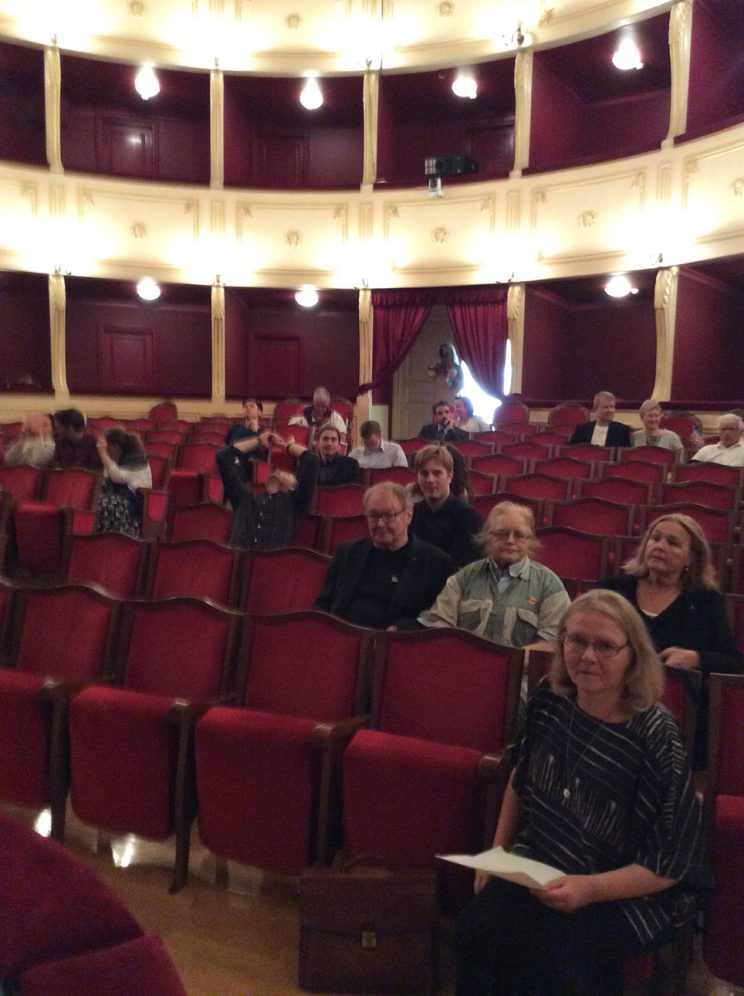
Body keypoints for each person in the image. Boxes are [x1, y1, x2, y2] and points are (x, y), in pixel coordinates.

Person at [455, 589, 706, 996]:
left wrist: (589, 889)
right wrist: (497, 853)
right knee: (477, 929)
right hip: (542, 861)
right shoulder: (550, 698)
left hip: (623, 888)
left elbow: (671, 861)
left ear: (633, 655)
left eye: (605, 645)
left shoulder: (655, 734)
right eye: (576, 640)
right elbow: (521, 778)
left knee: (554, 961)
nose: (587, 656)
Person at [596, 512, 741, 764]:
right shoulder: (613, 590)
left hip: (677, 722)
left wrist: (696, 657)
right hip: (611, 707)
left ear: (691, 558)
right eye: (655, 538)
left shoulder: (706, 601)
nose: (660, 546)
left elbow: (733, 663)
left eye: (673, 543)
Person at [418, 501, 570, 649]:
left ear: (530, 541)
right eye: (502, 534)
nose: (510, 541)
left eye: (519, 535)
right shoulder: (464, 577)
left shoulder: (549, 585)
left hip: (521, 673)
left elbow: (551, 644)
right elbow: (438, 627)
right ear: (487, 537)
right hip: (464, 667)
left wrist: (506, 664)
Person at [314, 481, 453, 630]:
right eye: (373, 516)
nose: (380, 524)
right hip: (341, 639)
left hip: (398, 645)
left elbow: (436, 619)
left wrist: (402, 629)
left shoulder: (435, 563)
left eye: (389, 515)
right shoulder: (347, 554)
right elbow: (323, 605)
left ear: (409, 515)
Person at [216, 430, 319, 549]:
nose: (279, 471)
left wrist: (287, 446)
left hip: (268, 565)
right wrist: (259, 441)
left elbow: (312, 460)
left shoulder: (296, 504)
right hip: (238, 563)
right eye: (277, 471)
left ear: (293, 487)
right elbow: (223, 456)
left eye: (287, 473)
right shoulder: (244, 498)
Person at [409, 444, 482, 567]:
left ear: (450, 476)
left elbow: (464, 568)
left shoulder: (468, 517)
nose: (430, 480)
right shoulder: (411, 513)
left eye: (437, 473)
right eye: (424, 473)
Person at [94, 427, 152, 536]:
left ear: (115, 447)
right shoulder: (116, 460)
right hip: (117, 498)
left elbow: (118, 477)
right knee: (93, 502)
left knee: (102, 505)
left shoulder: (136, 459)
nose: (106, 451)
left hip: (132, 505)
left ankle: (106, 539)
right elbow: (106, 478)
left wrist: (104, 455)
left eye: (107, 448)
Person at [224, 398, 265, 481]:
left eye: (252, 406)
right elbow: (227, 447)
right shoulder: (234, 429)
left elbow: (261, 453)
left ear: (260, 413)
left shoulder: (263, 433)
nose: (247, 408)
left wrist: (255, 432)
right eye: (245, 407)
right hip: (233, 464)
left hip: (249, 467)